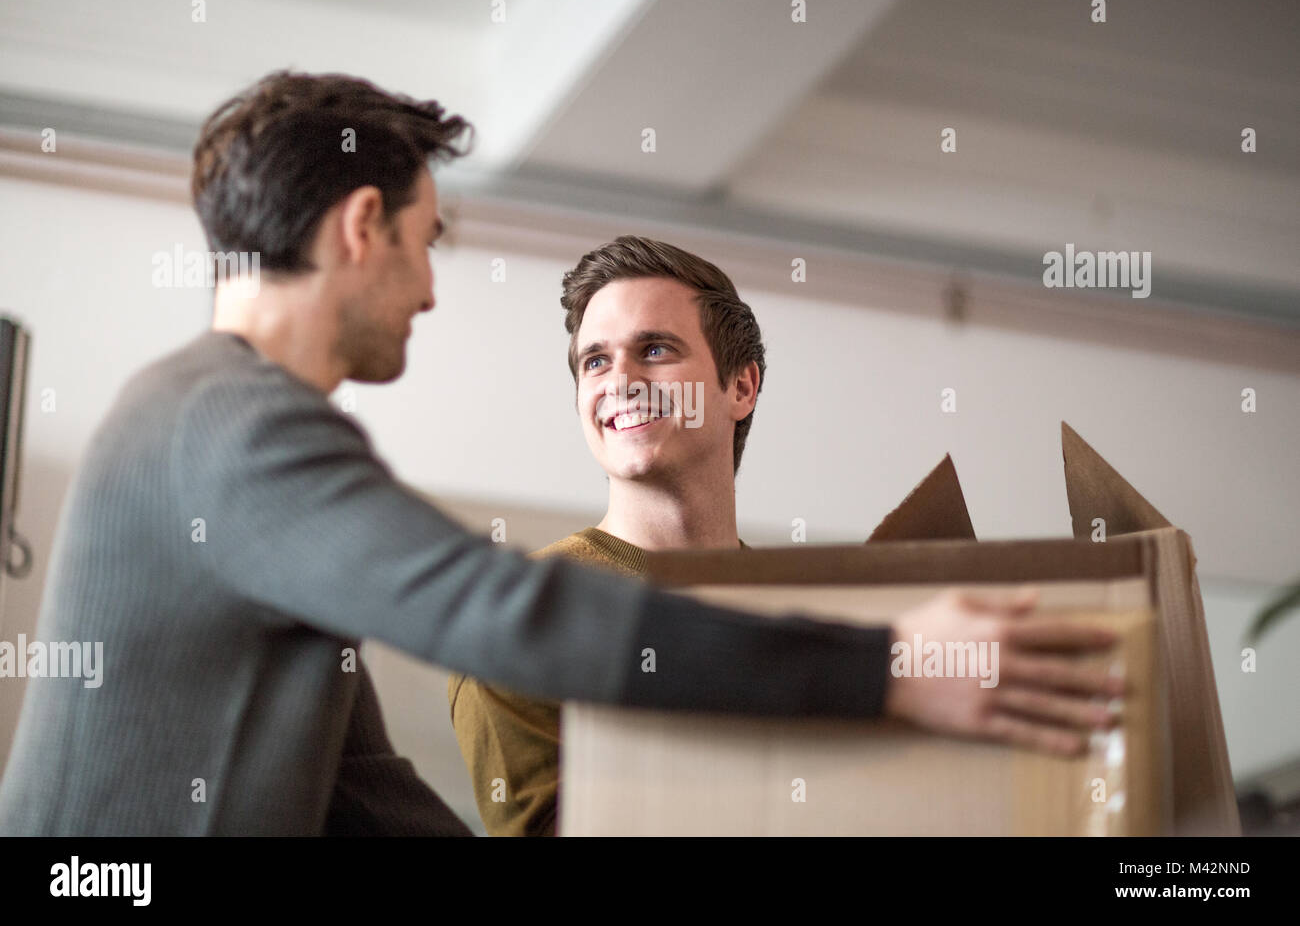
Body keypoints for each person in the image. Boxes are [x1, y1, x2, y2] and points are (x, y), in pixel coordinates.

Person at [0, 71, 1123, 836]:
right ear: (358, 228)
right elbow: (506, 611)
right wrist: (890, 669)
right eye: (423, 243)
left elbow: (366, 797)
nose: (431, 290)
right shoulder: (229, 420)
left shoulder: (210, 420)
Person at [449, 235, 1123, 835]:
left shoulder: (826, 622)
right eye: (595, 362)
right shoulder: (523, 617)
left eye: (654, 350)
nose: (620, 381)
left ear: (740, 388)